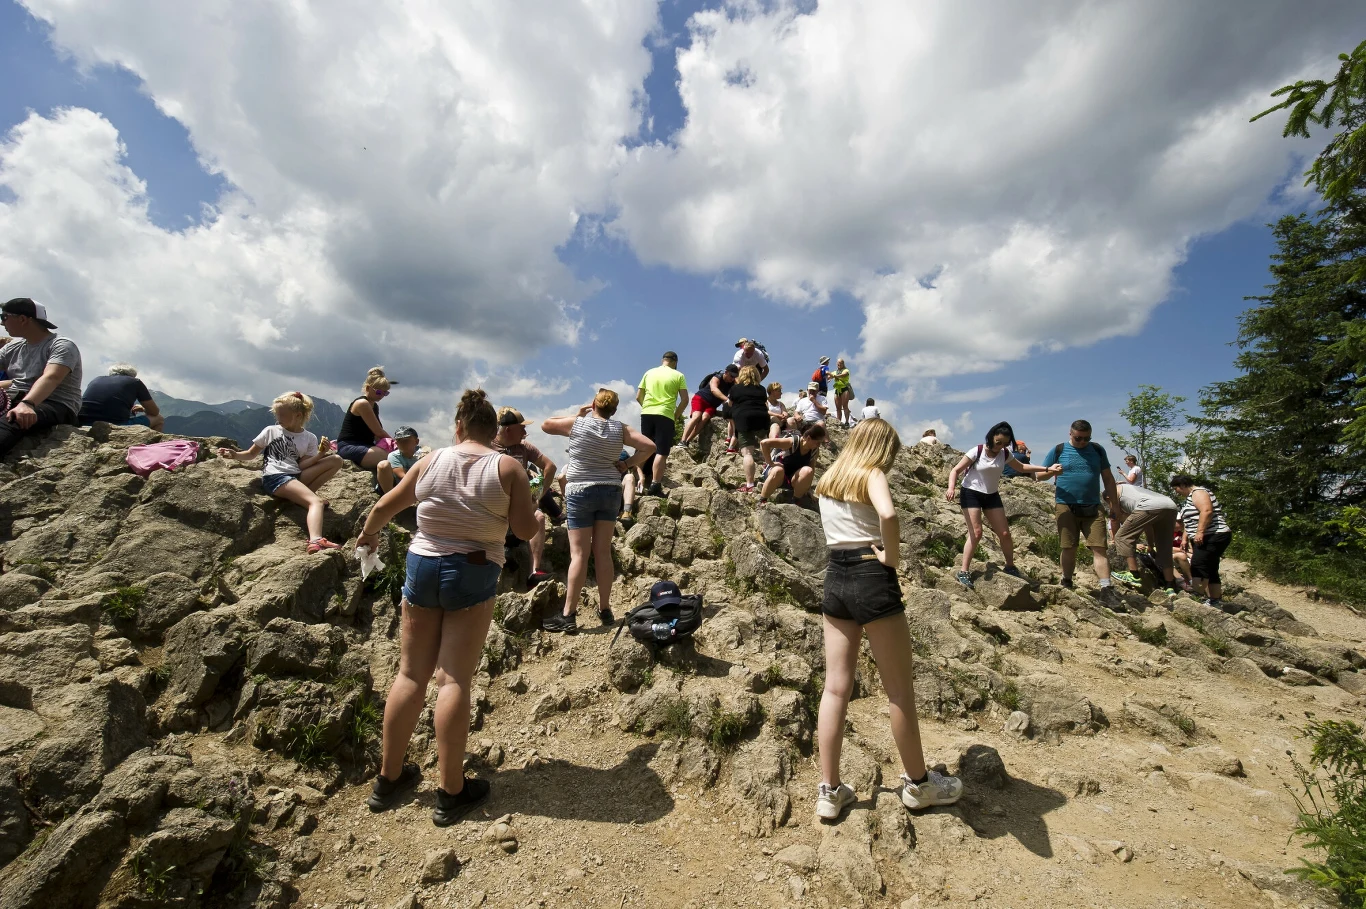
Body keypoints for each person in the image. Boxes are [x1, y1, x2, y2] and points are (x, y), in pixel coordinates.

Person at [358, 389, 540, 826]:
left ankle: (389, 779)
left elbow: (386, 504)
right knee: (453, 678)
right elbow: (522, 528)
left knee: (409, 674)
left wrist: (368, 537)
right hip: (472, 570)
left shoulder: (430, 459)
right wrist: (534, 512)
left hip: (422, 566)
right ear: (494, 431)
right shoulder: (508, 465)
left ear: (458, 427)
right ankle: (451, 791)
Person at [812, 418, 963, 821]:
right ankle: (919, 784)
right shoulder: (871, 473)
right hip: (871, 575)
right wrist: (891, 560)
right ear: (880, 447)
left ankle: (829, 790)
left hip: (835, 577)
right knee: (898, 691)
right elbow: (889, 516)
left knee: (835, 688)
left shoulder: (829, 477)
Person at [540, 389, 656, 633]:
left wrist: (577, 414)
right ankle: (605, 609)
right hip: (610, 491)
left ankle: (568, 615)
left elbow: (546, 425)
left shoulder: (578, 424)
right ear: (614, 410)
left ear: (593, 404)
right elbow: (649, 446)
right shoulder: (620, 429)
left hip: (581, 490)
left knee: (579, 554)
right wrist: (628, 464)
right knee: (602, 552)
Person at [216, 392, 345, 553]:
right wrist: (234, 454)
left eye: (282, 415)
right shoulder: (271, 431)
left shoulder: (309, 438)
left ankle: (303, 497)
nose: (278, 419)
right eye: (277, 414)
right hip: (276, 477)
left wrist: (321, 454)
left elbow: (303, 465)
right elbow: (251, 454)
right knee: (316, 503)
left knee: (336, 460)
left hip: (295, 476)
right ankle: (315, 540)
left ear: (298, 415)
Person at [944, 421, 1062, 588]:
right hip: (971, 493)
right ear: (991, 437)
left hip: (991, 495)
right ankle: (964, 571)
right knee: (976, 533)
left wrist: (1047, 469)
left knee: (1005, 533)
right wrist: (951, 488)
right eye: (998, 442)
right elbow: (955, 470)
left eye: (1005, 444)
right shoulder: (977, 451)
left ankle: (1010, 566)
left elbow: (1021, 467)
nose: (1000, 446)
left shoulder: (1005, 454)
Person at [1041, 420, 1120, 597]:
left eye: (1086, 438)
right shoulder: (1058, 450)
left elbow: (1107, 478)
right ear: (1070, 434)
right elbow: (1039, 476)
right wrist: (1052, 471)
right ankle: (1066, 580)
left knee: (1099, 547)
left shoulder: (1098, 450)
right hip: (1065, 504)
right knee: (1069, 546)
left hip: (1093, 505)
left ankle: (1106, 588)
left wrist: (1114, 505)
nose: (1083, 442)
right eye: (1078, 438)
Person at [0, 298, 83, 457]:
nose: (2, 323)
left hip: (55, 403)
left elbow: (52, 377)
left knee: (14, 419)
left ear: (23, 319)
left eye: (4, 317)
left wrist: (27, 404)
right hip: (18, 398)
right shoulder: (13, 347)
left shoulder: (62, 345)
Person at [492, 407, 559, 586]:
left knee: (538, 516)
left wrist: (538, 495)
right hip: (494, 511)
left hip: (517, 512)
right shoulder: (489, 447)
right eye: (521, 427)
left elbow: (550, 467)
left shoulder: (524, 447)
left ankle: (534, 572)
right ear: (508, 430)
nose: (525, 432)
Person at [1170, 474, 1233, 610]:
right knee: (1211, 568)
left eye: (1176, 489)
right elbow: (1191, 521)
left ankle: (1197, 597)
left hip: (1213, 535)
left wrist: (1200, 532)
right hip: (1206, 536)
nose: (1177, 492)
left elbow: (1207, 511)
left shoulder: (1198, 492)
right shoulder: (1190, 497)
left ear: (1182, 485)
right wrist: (1186, 539)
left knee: (1199, 565)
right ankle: (1215, 600)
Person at [635, 350, 688, 497]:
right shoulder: (678, 375)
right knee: (661, 451)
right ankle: (655, 485)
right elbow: (685, 400)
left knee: (644, 447)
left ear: (662, 360)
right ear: (675, 362)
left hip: (647, 412)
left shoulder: (649, 372)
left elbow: (639, 396)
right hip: (665, 414)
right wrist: (676, 416)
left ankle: (637, 479)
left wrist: (646, 407)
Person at [1109, 482, 1179, 590]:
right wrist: (1150, 544)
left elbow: (1114, 519)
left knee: (1122, 537)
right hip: (1170, 505)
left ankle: (1134, 575)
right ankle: (1170, 586)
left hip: (1149, 505)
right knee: (1164, 546)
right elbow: (1147, 526)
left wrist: (1114, 539)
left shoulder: (1112, 493)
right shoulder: (1134, 493)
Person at [336, 367, 394, 472]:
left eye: (385, 393)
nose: (382, 396)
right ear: (368, 388)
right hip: (349, 446)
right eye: (379, 392)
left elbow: (377, 435)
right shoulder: (362, 403)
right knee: (389, 457)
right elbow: (378, 432)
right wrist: (396, 445)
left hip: (366, 445)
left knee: (390, 456)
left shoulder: (374, 406)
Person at [78, 364, 164, 430]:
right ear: (132, 375)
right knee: (158, 418)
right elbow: (154, 412)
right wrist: (143, 409)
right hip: (115, 425)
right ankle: (151, 448)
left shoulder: (96, 380)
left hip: (83, 423)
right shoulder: (135, 382)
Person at [758, 423, 826, 505]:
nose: (819, 445)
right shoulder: (792, 442)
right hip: (775, 475)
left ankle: (795, 501)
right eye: (818, 442)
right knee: (778, 470)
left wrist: (808, 489)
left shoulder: (814, 450)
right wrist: (770, 462)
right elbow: (764, 443)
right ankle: (763, 500)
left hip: (793, 479)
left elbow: (811, 468)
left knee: (808, 470)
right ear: (808, 438)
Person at [727, 366, 770, 493]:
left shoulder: (735, 388)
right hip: (761, 417)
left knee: (748, 453)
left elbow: (730, 404)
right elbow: (764, 402)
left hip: (744, 418)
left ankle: (750, 484)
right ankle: (768, 466)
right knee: (765, 442)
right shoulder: (761, 389)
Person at [680, 364, 738, 446]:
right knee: (696, 416)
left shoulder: (732, 384)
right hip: (700, 399)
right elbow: (714, 389)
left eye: (734, 377)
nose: (732, 378)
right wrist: (727, 400)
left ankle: (687, 441)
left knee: (705, 418)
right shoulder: (717, 377)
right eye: (731, 376)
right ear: (726, 372)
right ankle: (682, 440)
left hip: (711, 405)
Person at [377, 426, 421, 493]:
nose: (402, 443)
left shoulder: (420, 456)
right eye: (399, 440)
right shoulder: (394, 456)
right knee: (383, 465)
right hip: (395, 487)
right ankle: (389, 498)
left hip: (412, 486)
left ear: (416, 441)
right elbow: (402, 476)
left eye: (406, 440)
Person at [831, 358, 853, 426]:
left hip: (844, 389)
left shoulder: (846, 370)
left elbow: (844, 374)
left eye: (840, 363)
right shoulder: (834, 372)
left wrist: (835, 376)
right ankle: (838, 422)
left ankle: (846, 421)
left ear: (843, 364)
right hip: (837, 390)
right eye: (838, 363)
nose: (839, 364)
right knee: (838, 408)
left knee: (845, 406)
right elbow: (829, 376)